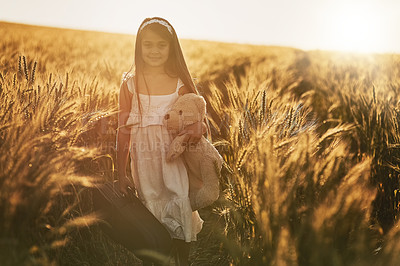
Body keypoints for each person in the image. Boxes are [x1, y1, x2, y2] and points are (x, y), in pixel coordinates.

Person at [116, 17, 206, 265]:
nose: (154, 51)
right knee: (150, 218)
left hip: (172, 159)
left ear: (172, 47)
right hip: (144, 163)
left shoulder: (179, 85)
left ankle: (182, 260)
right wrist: (120, 172)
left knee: (177, 203)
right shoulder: (130, 84)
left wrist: (194, 130)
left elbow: (196, 122)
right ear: (138, 46)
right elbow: (122, 130)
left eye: (161, 45)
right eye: (148, 44)